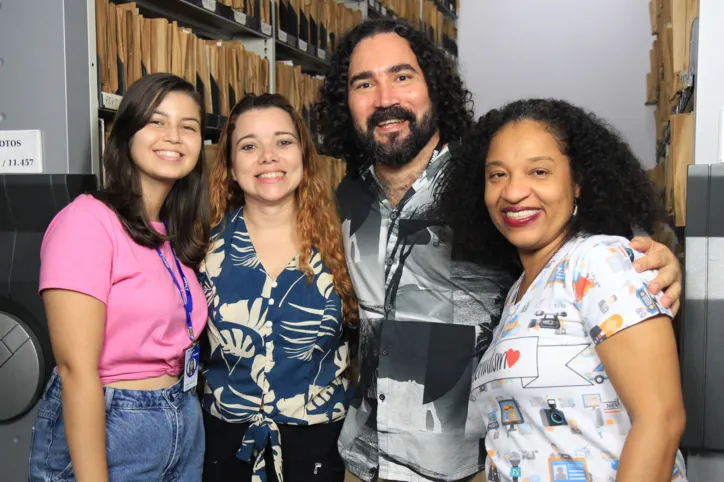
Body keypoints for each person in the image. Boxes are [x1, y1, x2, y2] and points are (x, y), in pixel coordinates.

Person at [315, 17, 684, 482]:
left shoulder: (486, 182)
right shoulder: (345, 197)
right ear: (346, 101)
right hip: (362, 458)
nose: (386, 98)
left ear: (434, 86)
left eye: (402, 76)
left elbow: (611, 247)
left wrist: (666, 266)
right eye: (364, 83)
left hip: (464, 467)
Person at [434, 98, 687, 481]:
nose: (514, 191)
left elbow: (661, 420)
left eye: (538, 172)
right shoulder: (519, 292)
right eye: (497, 175)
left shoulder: (599, 261)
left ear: (578, 183)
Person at [27, 73, 211, 481]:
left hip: (181, 417)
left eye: (189, 126)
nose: (174, 136)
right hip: (112, 423)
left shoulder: (172, 232)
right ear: (126, 132)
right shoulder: (87, 223)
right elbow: (76, 371)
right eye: (157, 121)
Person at [198, 93, 358, 482]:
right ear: (232, 167)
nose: (268, 156)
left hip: (320, 449)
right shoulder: (200, 250)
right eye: (249, 146)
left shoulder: (347, 246)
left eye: (283, 142)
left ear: (303, 155)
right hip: (224, 449)